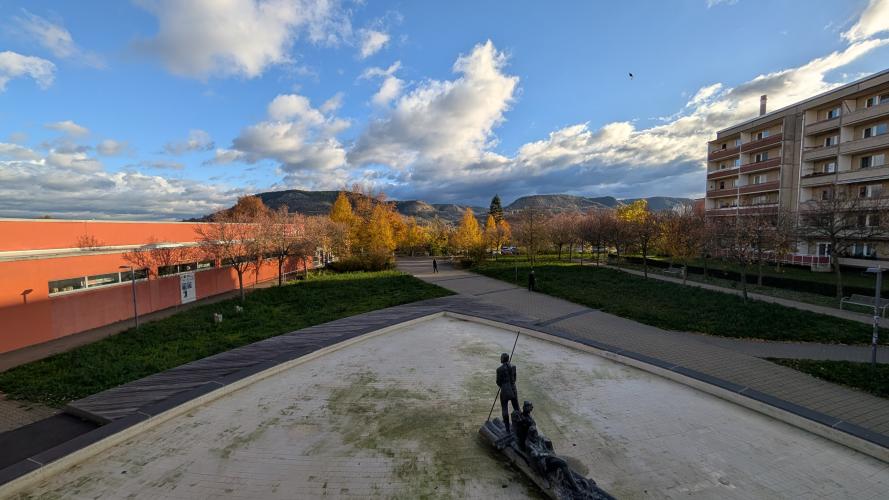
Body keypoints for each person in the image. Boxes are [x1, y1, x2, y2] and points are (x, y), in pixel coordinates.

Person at [496, 352, 519, 432]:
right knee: (516, 408)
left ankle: (507, 429)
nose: (500, 359)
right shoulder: (513, 366)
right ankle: (519, 425)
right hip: (513, 389)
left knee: (505, 409)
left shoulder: (499, 369)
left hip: (505, 391)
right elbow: (515, 379)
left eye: (501, 357)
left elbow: (498, 382)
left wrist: (503, 385)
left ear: (503, 359)